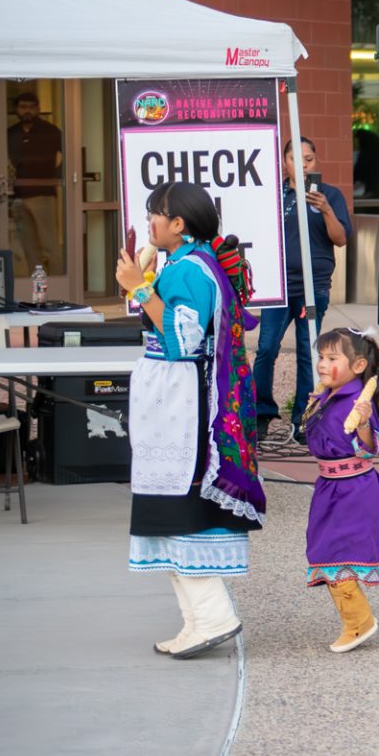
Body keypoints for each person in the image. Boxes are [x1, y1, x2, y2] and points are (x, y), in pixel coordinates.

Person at [117, 181, 266, 658]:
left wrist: (138, 288)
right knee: (168, 510)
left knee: (179, 508)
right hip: (175, 401)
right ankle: (196, 621)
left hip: (182, 405)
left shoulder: (190, 271)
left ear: (178, 224)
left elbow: (182, 341)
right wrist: (143, 282)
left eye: (155, 214)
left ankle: (214, 615)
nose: (150, 223)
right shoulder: (188, 264)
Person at [300, 328, 379, 653]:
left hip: (354, 489)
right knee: (321, 546)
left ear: (358, 366)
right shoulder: (327, 396)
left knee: (337, 550)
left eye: (332, 358)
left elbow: (370, 447)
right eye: (321, 358)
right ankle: (354, 620)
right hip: (330, 486)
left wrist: (362, 425)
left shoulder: (359, 402)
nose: (323, 365)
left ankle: (359, 623)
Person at [255, 137, 352, 442]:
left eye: (309, 159)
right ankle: (262, 412)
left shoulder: (330, 195)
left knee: (308, 353)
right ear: (284, 163)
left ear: (316, 160)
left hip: (314, 287)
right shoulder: (272, 195)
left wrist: (325, 210)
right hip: (278, 286)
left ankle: (303, 419)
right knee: (266, 348)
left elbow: (341, 239)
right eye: (297, 159)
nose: (304, 165)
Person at [6, 90, 64, 278]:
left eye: (31, 107)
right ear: (17, 109)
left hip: (43, 194)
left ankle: (59, 288)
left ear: (38, 109)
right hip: (18, 197)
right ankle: (37, 290)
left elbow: (64, 160)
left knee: (50, 245)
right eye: (23, 107)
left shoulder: (51, 131)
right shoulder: (10, 133)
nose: (27, 111)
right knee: (29, 248)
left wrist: (54, 176)